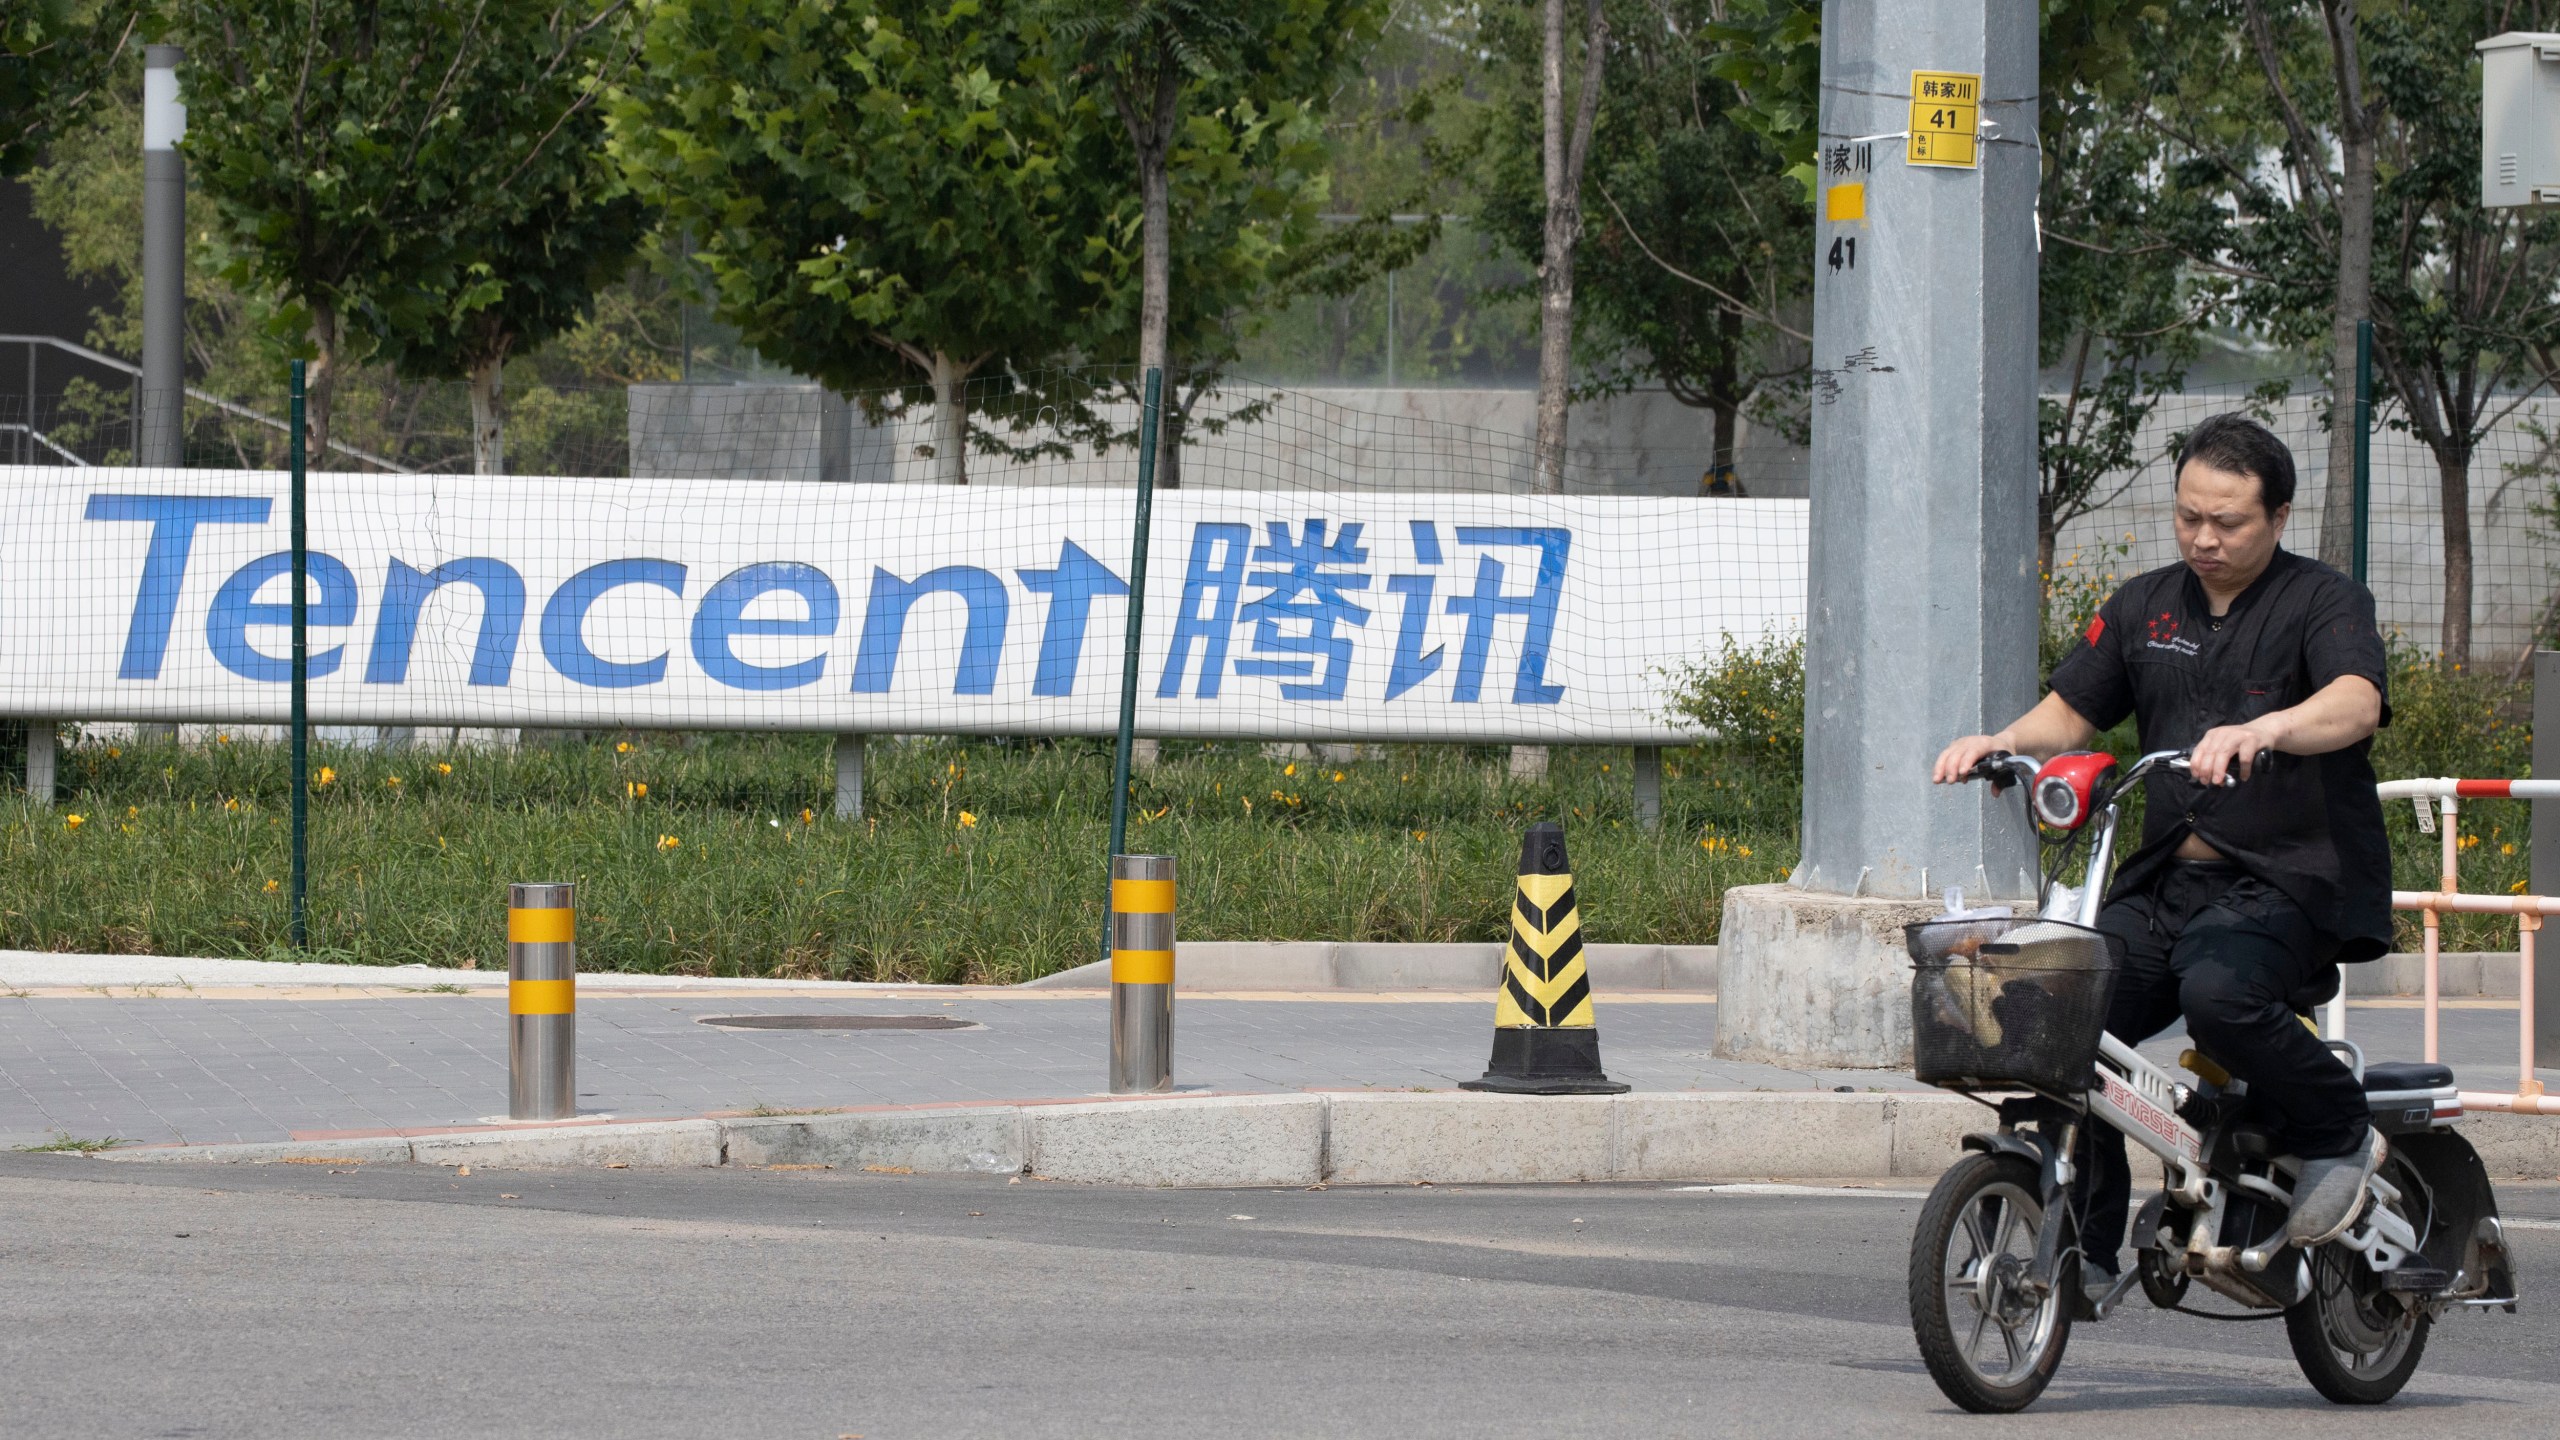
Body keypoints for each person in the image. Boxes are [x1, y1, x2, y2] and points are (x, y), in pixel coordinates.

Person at [1931, 412, 2392, 1296]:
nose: (2204, 538)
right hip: (2163, 881)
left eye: (2228, 522)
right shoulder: (2145, 605)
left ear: (2279, 516)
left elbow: (2357, 702)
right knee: (2058, 1016)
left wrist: (2270, 727)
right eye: (2188, 517)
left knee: (2218, 998)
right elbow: (2070, 713)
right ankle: (2084, 1244)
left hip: (2286, 883)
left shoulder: (2324, 600)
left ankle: (2339, 1127)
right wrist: (1999, 741)